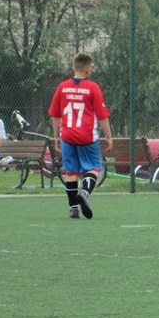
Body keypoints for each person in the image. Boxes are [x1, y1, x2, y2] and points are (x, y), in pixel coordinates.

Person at [49, 52, 113, 219]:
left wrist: (56, 137)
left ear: (73, 68)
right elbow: (102, 116)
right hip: (87, 137)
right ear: (88, 70)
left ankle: (73, 209)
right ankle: (84, 192)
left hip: (67, 136)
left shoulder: (62, 87)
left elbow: (55, 115)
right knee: (94, 168)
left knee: (71, 172)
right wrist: (109, 137)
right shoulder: (92, 88)